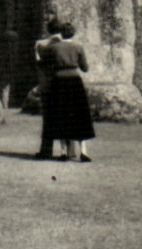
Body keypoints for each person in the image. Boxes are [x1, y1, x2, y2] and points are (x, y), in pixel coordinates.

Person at [38, 21, 95, 161]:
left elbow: (46, 65)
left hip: (59, 82)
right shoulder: (78, 47)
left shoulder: (54, 48)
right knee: (80, 116)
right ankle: (84, 152)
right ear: (73, 33)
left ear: (61, 33)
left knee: (61, 115)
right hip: (75, 81)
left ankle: (63, 152)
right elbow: (85, 68)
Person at [32, 17, 61, 159]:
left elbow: (38, 63)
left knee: (48, 119)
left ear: (48, 30)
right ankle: (69, 151)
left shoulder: (40, 44)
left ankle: (46, 150)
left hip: (47, 84)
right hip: (63, 83)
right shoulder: (67, 43)